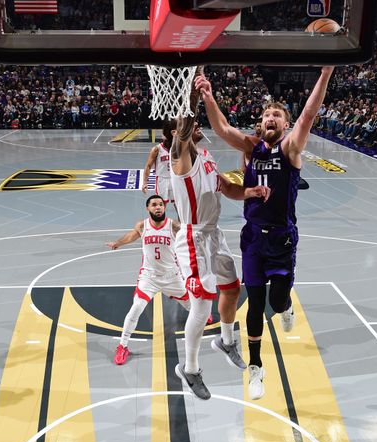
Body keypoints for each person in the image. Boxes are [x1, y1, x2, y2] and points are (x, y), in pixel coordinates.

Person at [196, 66, 334, 400]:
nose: (270, 117)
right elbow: (221, 127)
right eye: (266, 114)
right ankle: (256, 368)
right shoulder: (251, 148)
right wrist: (208, 95)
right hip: (254, 237)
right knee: (255, 304)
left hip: (283, 238)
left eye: (276, 115)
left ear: (285, 125)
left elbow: (310, 113)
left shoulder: (291, 149)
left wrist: (326, 72)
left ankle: (286, 305)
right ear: (261, 123)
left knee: (275, 301)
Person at [170, 69, 269, 400]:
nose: (197, 129)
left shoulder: (207, 157)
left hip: (214, 235)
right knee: (201, 307)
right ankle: (191, 368)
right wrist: (196, 90)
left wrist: (250, 191)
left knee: (231, 288)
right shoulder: (179, 159)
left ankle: (226, 341)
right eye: (189, 128)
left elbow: (227, 188)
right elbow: (184, 126)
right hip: (193, 239)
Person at [106, 195, 191, 365]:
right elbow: (132, 236)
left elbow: (189, 234)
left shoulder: (173, 226)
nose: (158, 207)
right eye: (154, 205)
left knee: (193, 307)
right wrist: (118, 243)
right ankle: (123, 346)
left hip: (172, 277)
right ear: (148, 208)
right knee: (136, 308)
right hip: (149, 278)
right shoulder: (142, 226)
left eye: (160, 204)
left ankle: (201, 315)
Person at [141, 122, 174, 205]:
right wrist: (145, 182)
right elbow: (148, 166)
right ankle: (162, 218)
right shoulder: (157, 149)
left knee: (178, 205)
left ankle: (181, 218)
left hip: (175, 179)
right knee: (161, 204)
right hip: (162, 179)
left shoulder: (177, 148)